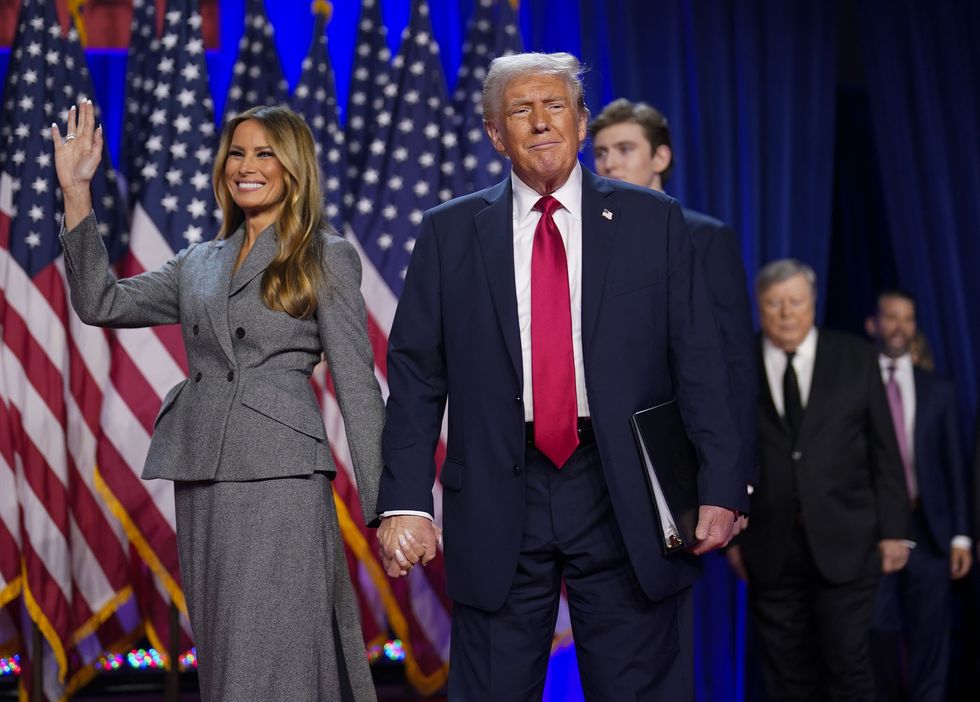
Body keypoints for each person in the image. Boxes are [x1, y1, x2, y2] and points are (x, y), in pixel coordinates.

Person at [374, 52, 746, 699]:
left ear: (579, 124)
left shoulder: (653, 222)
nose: (541, 123)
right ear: (496, 133)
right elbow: (415, 378)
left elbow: (701, 361)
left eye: (556, 107)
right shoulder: (448, 233)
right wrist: (404, 502)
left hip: (620, 484)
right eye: (521, 110)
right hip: (495, 487)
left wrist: (721, 483)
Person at [53, 101, 383, 702]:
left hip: (281, 472)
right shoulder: (198, 261)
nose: (246, 165)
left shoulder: (323, 254)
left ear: (293, 167)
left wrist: (388, 507)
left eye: (264, 153)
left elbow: (357, 383)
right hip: (202, 469)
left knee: (275, 647)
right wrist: (77, 194)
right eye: (236, 152)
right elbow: (100, 303)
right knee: (228, 648)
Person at [726, 259, 910, 701]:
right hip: (768, 547)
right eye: (775, 303)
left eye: (796, 302)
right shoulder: (735, 365)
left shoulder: (856, 358)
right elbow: (724, 453)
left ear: (813, 303)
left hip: (849, 541)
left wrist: (895, 532)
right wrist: (731, 536)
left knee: (847, 663)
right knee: (785, 672)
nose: (787, 313)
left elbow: (885, 450)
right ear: (759, 306)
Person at [589, 97, 757, 494]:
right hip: (599, 449)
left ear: (660, 157)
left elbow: (734, 360)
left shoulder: (705, 237)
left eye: (625, 149)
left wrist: (738, 472)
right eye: (600, 153)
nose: (610, 163)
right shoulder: (586, 240)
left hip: (676, 442)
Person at [863, 289, 972, 701]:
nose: (899, 326)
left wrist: (961, 536)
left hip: (930, 529)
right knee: (878, 631)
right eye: (891, 317)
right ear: (873, 324)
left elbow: (953, 467)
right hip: (873, 531)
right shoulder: (856, 382)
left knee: (931, 638)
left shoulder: (938, 389)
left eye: (907, 319)